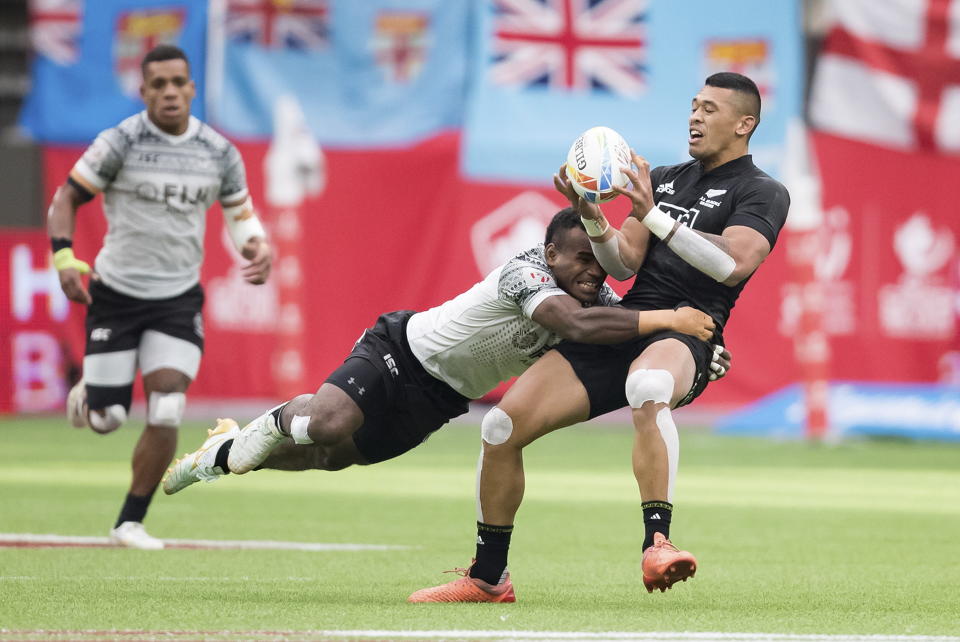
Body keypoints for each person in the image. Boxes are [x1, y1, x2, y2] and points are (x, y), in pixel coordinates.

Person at [408, 72, 789, 603]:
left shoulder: (763, 191)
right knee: (499, 427)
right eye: (693, 105)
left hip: (687, 331)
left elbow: (732, 263)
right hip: (629, 323)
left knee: (649, 383)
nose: (695, 117)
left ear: (744, 124)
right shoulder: (666, 177)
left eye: (710, 109)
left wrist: (654, 214)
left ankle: (657, 542)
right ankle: (488, 577)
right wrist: (591, 216)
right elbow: (624, 261)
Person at [162, 208, 727, 508]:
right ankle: (283, 417)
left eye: (599, 266)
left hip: (441, 399)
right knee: (324, 423)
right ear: (550, 251)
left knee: (329, 459)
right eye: (581, 260)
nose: (592, 273)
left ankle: (224, 452)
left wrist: (697, 352)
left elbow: (626, 337)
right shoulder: (525, 271)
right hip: (399, 352)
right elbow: (576, 325)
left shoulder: (594, 297)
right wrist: (671, 318)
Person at [48, 45, 273, 550]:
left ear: (192, 88)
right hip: (116, 294)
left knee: (168, 404)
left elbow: (240, 215)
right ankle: (92, 392)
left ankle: (129, 521)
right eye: (158, 84)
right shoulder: (121, 141)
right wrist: (63, 258)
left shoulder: (218, 151)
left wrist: (257, 244)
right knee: (107, 420)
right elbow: (67, 196)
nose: (169, 92)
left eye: (178, 82)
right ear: (144, 90)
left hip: (176, 298)